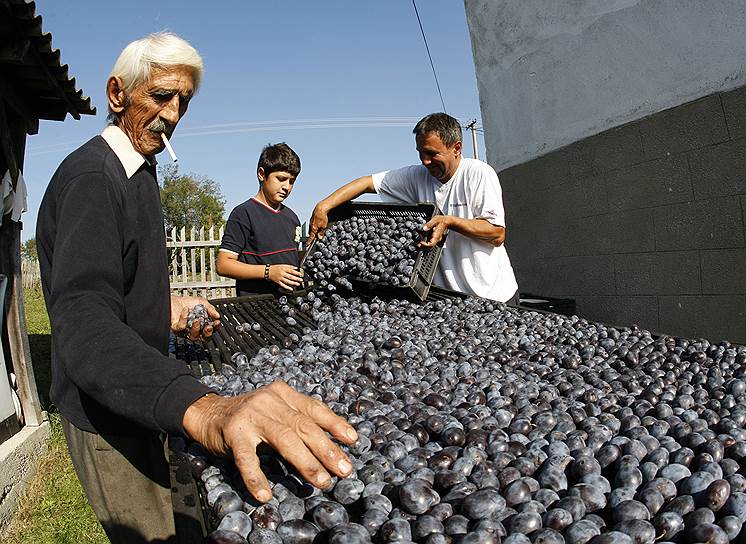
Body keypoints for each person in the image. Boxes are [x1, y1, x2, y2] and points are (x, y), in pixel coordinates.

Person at [36, 32, 356, 543]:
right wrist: (207, 407)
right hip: (108, 413)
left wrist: (163, 305)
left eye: (183, 101)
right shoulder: (94, 178)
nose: (173, 114)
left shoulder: (137, 171)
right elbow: (83, 323)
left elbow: (115, 278)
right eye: (161, 96)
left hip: (138, 391)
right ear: (117, 95)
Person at [309, 112, 518, 303]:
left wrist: (450, 221)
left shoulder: (478, 174)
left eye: (432, 153)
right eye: (420, 153)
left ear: (456, 148)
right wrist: (323, 207)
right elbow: (366, 183)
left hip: (492, 296)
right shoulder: (417, 176)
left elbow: (496, 233)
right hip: (446, 298)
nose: (425, 161)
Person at [216, 143, 305, 295]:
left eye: (292, 181)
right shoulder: (243, 214)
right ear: (262, 174)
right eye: (281, 179)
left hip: (290, 307)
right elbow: (223, 265)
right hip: (256, 308)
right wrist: (268, 272)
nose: (287, 187)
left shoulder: (292, 217)